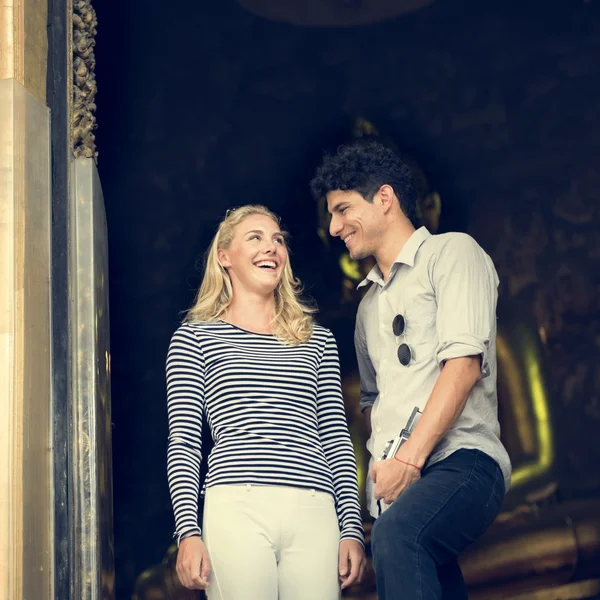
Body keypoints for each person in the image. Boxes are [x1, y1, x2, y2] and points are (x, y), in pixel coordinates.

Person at [310, 140, 512, 600]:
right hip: (399, 488)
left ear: (385, 198)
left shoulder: (453, 253)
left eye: (343, 210)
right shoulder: (367, 309)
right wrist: (383, 483)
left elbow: (462, 367)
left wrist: (408, 461)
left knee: (399, 536)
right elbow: (372, 404)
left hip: (463, 462)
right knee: (418, 561)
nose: (334, 226)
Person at [166, 204, 365, 600]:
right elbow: (185, 443)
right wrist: (188, 532)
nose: (270, 247)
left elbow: (337, 439)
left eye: (278, 240)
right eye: (254, 238)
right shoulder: (194, 339)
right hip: (237, 505)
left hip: (314, 508)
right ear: (225, 257)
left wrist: (352, 529)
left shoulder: (318, 339)